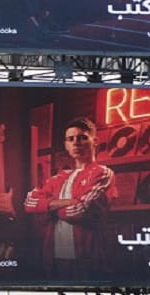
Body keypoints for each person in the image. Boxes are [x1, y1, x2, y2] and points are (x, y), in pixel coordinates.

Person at [23, 115, 114, 281]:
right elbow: (29, 203)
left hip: (87, 257)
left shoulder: (102, 172)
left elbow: (79, 210)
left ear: (95, 141)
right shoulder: (59, 177)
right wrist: (67, 202)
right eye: (70, 139)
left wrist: (48, 208)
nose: (76, 143)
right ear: (66, 145)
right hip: (53, 255)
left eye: (82, 138)